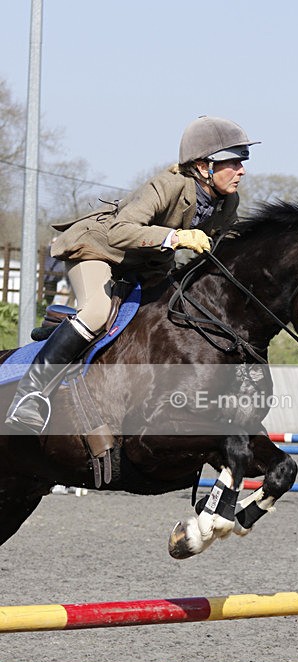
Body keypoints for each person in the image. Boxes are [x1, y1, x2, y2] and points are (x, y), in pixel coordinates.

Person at [6, 116, 259, 434]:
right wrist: (175, 238)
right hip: (99, 250)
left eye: (242, 162)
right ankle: (32, 394)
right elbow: (120, 231)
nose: (242, 170)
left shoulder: (228, 201)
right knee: (98, 310)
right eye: (233, 162)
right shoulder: (168, 185)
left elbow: (225, 243)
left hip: (148, 265)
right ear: (203, 165)